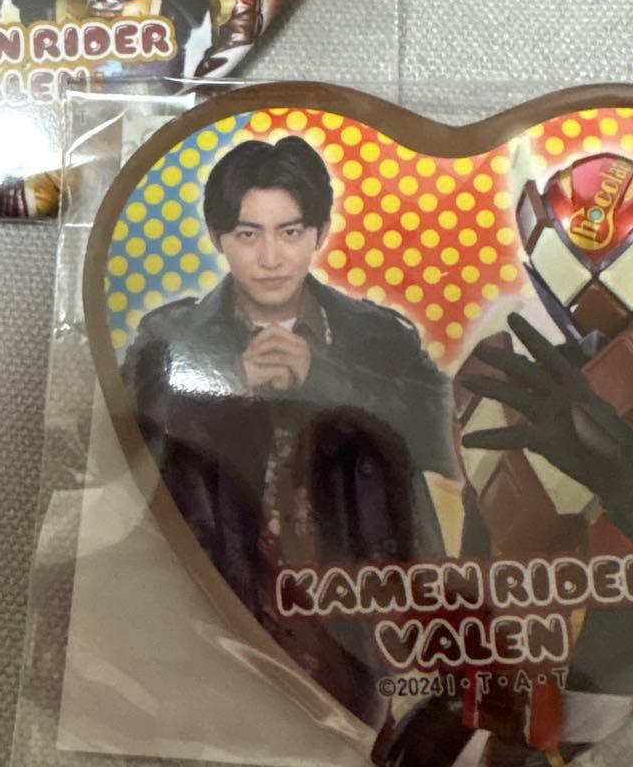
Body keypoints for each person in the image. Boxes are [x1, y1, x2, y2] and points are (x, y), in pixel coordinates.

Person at [122, 135, 459, 728]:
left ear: (320, 233)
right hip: (219, 602)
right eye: (248, 234)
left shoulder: (380, 337)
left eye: (291, 231)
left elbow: (440, 442)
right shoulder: (170, 338)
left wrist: (325, 379)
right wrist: (228, 384)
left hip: (361, 610)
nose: (271, 257)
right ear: (219, 238)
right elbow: (124, 450)